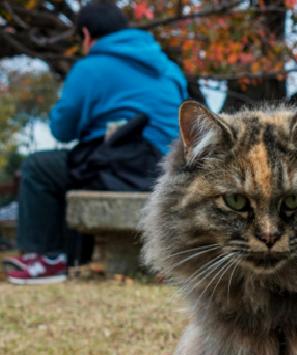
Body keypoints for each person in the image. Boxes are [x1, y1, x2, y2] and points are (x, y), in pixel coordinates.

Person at [4, 0, 187, 285]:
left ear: (87, 35)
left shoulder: (90, 68)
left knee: (40, 168)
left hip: (116, 166)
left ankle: (45, 258)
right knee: (76, 166)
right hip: (163, 167)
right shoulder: (168, 67)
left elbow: (61, 129)